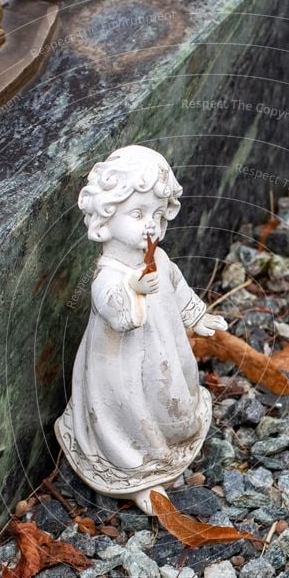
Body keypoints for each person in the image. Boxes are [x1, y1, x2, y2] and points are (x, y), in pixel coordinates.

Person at [55, 145, 227, 514]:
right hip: (121, 366)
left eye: (155, 213)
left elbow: (177, 287)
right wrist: (134, 288)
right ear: (106, 217)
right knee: (130, 412)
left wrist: (197, 317)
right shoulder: (107, 273)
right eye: (136, 213)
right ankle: (134, 474)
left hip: (164, 351)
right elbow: (116, 313)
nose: (150, 224)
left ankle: (169, 445)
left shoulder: (160, 259)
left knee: (170, 395)